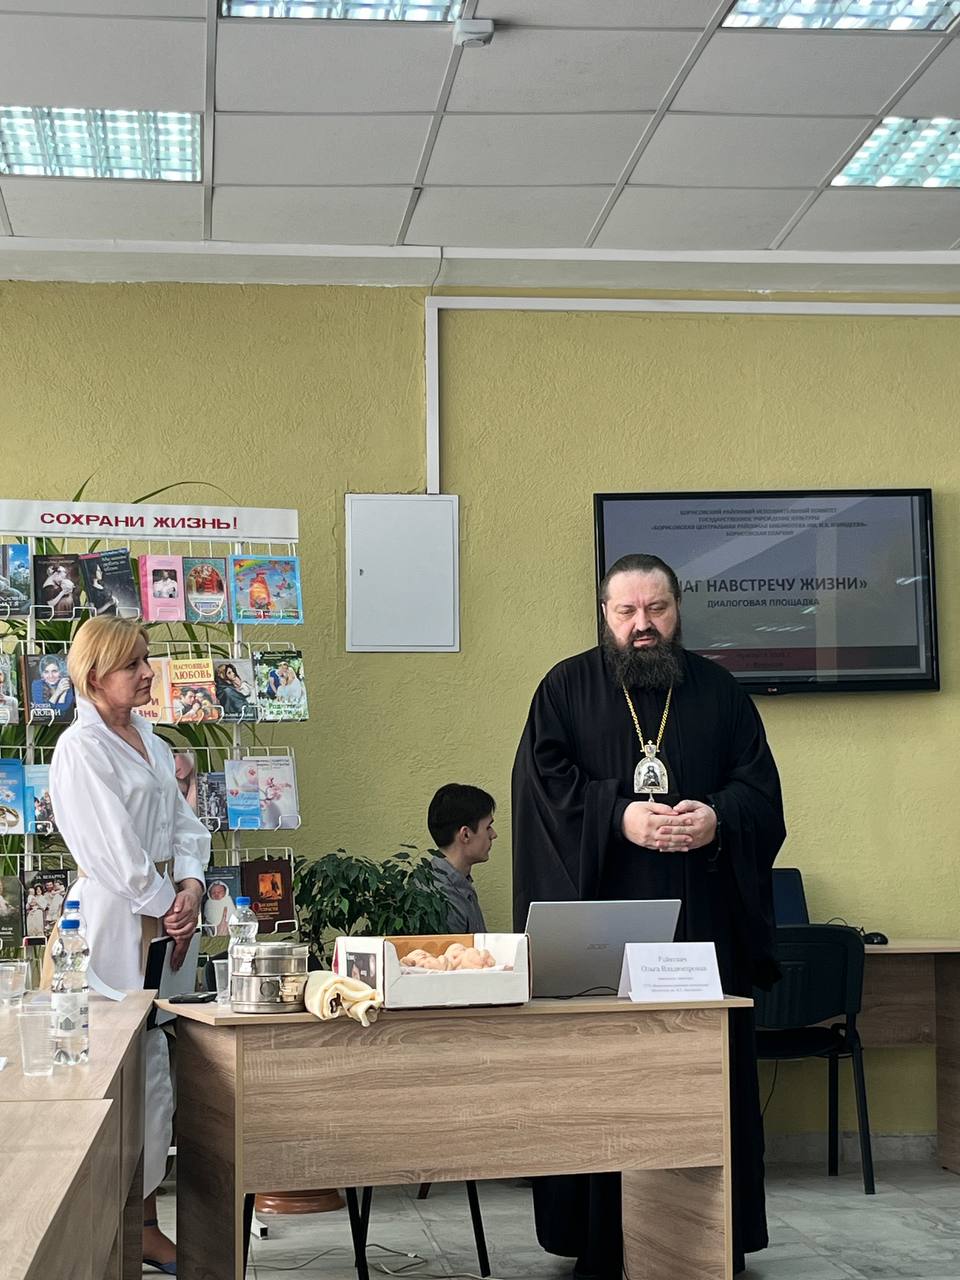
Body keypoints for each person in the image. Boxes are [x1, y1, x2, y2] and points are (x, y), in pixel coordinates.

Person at [512, 553, 785, 1279]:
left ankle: (704, 1236)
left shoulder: (721, 693)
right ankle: (597, 1239)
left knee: (695, 1080)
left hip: (699, 934)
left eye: (656, 609)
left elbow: (761, 793)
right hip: (601, 937)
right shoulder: (565, 689)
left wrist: (717, 817)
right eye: (627, 611)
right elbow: (541, 791)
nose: (643, 625)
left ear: (677, 609)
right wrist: (618, 816)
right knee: (605, 1079)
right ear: (604, 614)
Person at [49, 615, 210, 1276]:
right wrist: (166, 904)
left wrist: (191, 887)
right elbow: (113, 849)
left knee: (152, 1074)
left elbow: (184, 824)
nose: (149, 673)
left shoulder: (149, 738)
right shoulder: (80, 750)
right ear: (95, 676)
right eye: (134, 664)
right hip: (112, 927)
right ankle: (103, 1232)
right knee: (108, 1076)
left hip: (163, 921)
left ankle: (143, 1226)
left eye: (148, 659)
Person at [427, 784, 497, 933]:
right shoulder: (441, 896)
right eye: (488, 827)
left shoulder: (457, 882)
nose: (493, 835)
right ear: (465, 834)